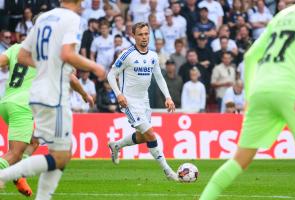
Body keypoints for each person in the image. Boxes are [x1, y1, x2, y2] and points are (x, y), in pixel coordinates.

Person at [0, 1, 105, 200]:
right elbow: (70, 69)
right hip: (38, 101)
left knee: (36, 140)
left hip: (10, 102)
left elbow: (20, 57)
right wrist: (91, 77)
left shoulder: (20, 45)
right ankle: (8, 174)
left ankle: (21, 176)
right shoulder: (67, 23)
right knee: (50, 153)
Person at [200, 4, 295, 199]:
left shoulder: (281, 16)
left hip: (260, 90)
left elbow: (250, 55)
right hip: (290, 90)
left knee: (240, 159)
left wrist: (248, 97)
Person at [107, 22, 178, 181]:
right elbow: (111, 75)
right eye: (140, 34)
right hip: (129, 102)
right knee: (151, 135)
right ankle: (168, 171)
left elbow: (159, 77)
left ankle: (116, 145)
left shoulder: (153, 55)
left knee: (143, 137)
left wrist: (168, 97)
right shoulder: (127, 54)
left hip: (144, 101)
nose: (144, 37)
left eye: (146, 34)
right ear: (134, 36)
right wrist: (119, 94)